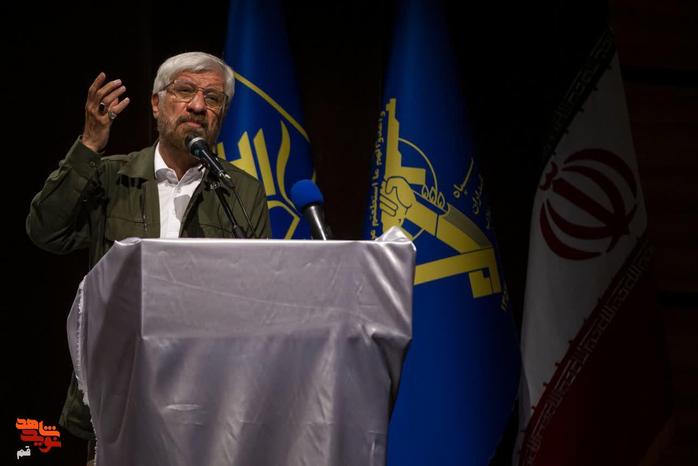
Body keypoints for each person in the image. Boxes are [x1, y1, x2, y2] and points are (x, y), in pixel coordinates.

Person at [26, 51, 271, 461]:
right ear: (156, 104)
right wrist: (89, 145)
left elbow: (258, 301)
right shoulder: (111, 175)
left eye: (212, 98)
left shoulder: (241, 192)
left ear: (223, 114)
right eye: (185, 91)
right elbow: (45, 230)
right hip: (120, 398)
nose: (198, 106)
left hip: (208, 406)